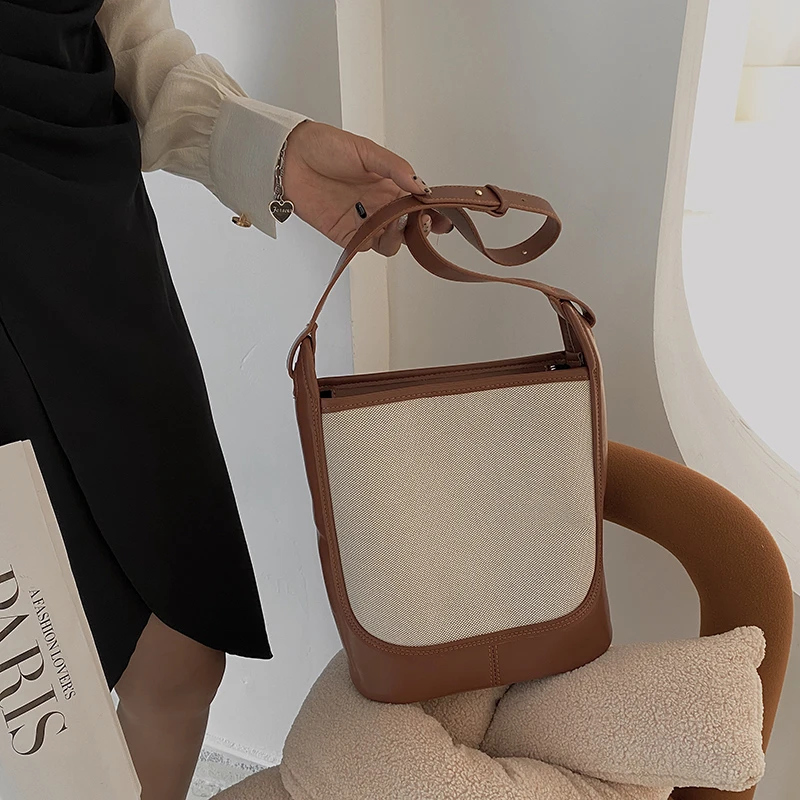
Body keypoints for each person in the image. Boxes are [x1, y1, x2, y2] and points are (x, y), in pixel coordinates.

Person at [0, 0, 451, 797]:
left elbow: (124, 38)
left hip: (82, 224)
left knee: (178, 645)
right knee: (27, 685)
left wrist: (274, 151)